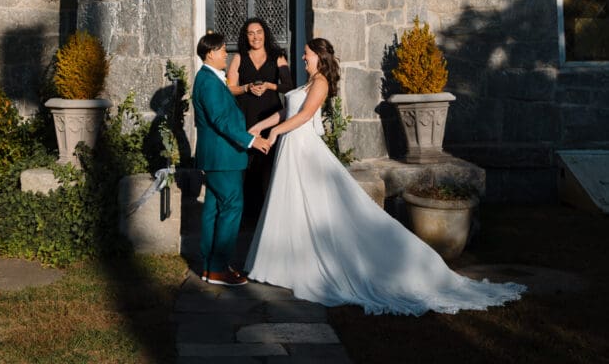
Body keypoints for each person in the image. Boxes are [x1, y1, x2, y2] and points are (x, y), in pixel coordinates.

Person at [245, 37, 526, 315]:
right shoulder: (308, 82)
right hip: (292, 148)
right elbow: (286, 111)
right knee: (295, 206)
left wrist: (275, 133)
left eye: (307, 54)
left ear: (319, 56)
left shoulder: (320, 83)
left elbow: (305, 115)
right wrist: (260, 125)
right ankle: (288, 263)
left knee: (321, 209)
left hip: (303, 150)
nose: (303, 57)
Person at [192, 31, 270, 286]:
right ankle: (217, 269)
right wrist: (251, 140)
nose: (227, 54)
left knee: (214, 209)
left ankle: (210, 266)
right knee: (232, 207)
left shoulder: (210, 79)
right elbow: (220, 120)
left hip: (219, 158)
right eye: (224, 50)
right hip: (222, 157)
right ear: (211, 53)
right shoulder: (208, 82)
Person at [226, 18, 294, 219]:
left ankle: (269, 216)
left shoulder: (278, 56)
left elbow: (289, 86)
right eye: (251, 33)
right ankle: (247, 217)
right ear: (245, 37)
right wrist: (246, 87)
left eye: (259, 32)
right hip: (246, 115)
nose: (255, 36)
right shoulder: (239, 58)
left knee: (268, 165)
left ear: (265, 34)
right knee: (246, 165)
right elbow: (229, 88)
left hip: (271, 115)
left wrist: (269, 85)